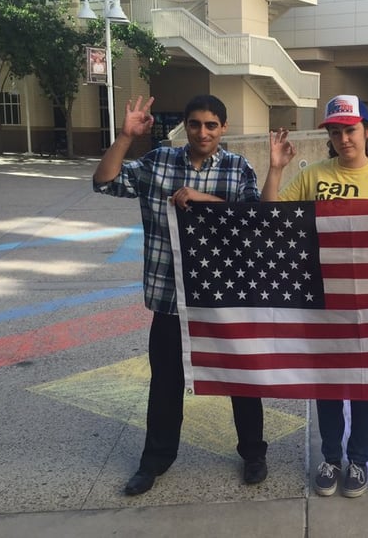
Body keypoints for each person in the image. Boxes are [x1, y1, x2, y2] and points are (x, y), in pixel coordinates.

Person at [93, 94, 269, 496]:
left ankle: (253, 453)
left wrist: (203, 199)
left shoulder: (237, 167)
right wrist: (124, 138)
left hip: (224, 297)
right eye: (194, 124)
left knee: (241, 378)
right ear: (185, 127)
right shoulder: (158, 162)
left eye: (211, 125)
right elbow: (104, 182)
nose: (202, 132)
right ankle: (155, 460)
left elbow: (253, 219)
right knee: (166, 382)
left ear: (223, 128)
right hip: (172, 297)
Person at [261, 94, 368, 498]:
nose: (344, 139)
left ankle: (358, 460)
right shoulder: (313, 175)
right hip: (320, 290)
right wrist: (275, 168)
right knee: (326, 380)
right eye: (337, 132)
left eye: (351, 130)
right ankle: (330, 456)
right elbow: (272, 214)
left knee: (364, 382)